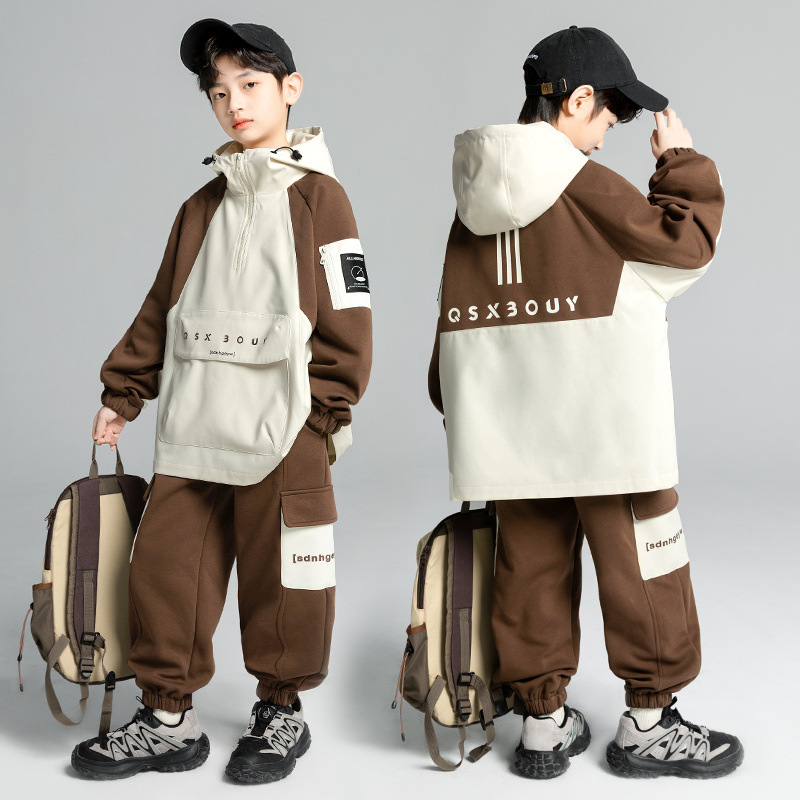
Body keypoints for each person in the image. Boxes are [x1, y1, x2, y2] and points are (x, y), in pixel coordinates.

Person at [428, 25, 742, 780]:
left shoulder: (470, 206)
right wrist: (679, 164)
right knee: (645, 567)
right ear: (577, 101)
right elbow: (684, 247)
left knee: (529, 572)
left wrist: (474, 411)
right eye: (611, 116)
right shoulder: (581, 181)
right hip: (610, 426)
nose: (606, 136)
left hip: (509, 438)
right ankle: (649, 725)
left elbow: (448, 336)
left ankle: (542, 725)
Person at [72, 18, 372, 783]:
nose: (233, 104)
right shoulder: (200, 206)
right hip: (196, 422)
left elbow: (349, 316)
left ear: (290, 88)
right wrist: (124, 392)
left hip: (285, 427)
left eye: (250, 84)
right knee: (166, 570)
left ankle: (281, 712)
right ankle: (167, 719)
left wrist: (323, 415)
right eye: (217, 93)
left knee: (287, 582)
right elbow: (161, 307)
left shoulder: (323, 201)